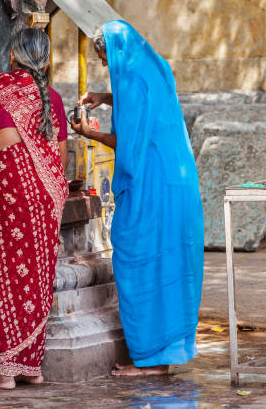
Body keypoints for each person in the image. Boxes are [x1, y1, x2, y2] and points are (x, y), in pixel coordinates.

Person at [71, 20, 204, 377]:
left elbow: (128, 143)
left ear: (113, 53)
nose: (103, 65)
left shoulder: (129, 78)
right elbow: (147, 97)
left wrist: (89, 133)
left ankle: (149, 360)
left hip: (153, 181)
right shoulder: (156, 66)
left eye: (103, 57)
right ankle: (163, 353)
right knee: (171, 261)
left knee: (138, 255)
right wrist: (104, 97)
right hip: (178, 180)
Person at [0, 27, 69, 389]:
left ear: (12, 56)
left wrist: (5, 166)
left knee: (0, 273)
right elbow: (60, 158)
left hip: (7, 188)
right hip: (46, 196)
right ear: (46, 60)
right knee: (37, 278)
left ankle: (6, 373)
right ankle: (33, 368)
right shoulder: (53, 98)